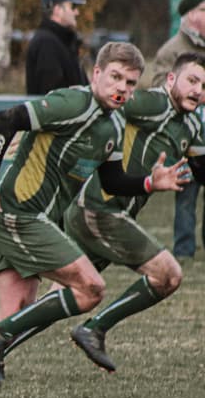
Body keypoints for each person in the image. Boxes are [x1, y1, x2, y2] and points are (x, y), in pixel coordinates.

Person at [0, 42, 187, 398]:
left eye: (130, 83)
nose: (122, 89)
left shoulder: (111, 124)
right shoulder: (73, 103)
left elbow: (112, 181)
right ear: (96, 74)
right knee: (90, 287)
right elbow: (6, 120)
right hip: (16, 214)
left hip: (29, 220)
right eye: (115, 77)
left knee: (16, 311)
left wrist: (149, 183)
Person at [61, 52, 205, 372]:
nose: (198, 90)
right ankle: (94, 328)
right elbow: (104, 100)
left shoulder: (192, 122)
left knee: (67, 296)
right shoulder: (154, 104)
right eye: (192, 80)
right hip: (99, 207)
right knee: (168, 274)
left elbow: (202, 168)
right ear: (171, 79)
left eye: (204, 85)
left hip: (115, 213)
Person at [146, 0, 205, 261]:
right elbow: (160, 89)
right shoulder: (172, 50)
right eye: (204, 10)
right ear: (191, 15)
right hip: (186, 133)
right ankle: (184, 251)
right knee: (186, 193)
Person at [24, 0, 87, 95]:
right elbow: (50, 95)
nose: (77, 12)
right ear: (58, 10)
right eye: (72, 7)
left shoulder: (63, 42)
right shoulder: (46, 44)